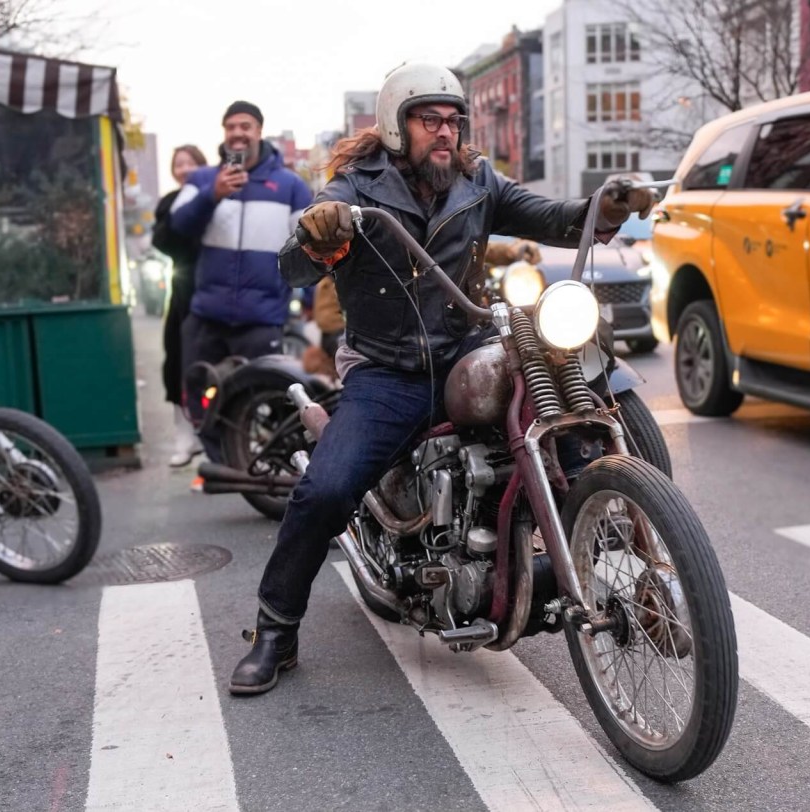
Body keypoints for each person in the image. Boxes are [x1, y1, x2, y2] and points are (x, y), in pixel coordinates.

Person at [228, 64, 655, 695]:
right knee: (325, 491)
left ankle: (650, 572)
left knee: (578, 431)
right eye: (431, 120)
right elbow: (292, 265)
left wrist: (607, 207)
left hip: (468, 349)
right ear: (398, 127)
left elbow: (555, 216)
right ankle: (276, 630)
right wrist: (320, 238)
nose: (446, 132)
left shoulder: (476, 182)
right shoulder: (352, 189)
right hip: (389, 371)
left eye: (454, 120)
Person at [169, 101, 313, 461]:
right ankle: (222, 464)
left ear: (259, 131)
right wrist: (212, 195)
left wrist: (310, 299)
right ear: (224, 132)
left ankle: (275, 463)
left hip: (261, 316)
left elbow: (310, 246)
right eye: (231, 126)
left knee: (268, 396)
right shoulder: (202, 179)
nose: (238, 133)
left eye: (245, 126)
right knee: (200, 393)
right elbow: (177, 225)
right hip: (207, 316)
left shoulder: (290, 186)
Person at [152, 144, 208, 467]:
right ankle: (183, 435)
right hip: (182, 293)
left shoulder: (218, 197)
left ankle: (210, 436)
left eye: (191, 163)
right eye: (179, 164)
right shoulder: (170, 203)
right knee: (176, 362)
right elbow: (162, 240)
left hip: (215, 292)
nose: (184, 169)